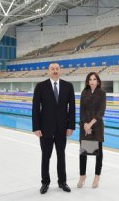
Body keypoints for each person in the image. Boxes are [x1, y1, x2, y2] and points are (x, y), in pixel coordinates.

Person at [32, 62, 76, 194]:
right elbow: (35, 109)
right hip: (45, 129)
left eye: (57, 69)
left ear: (60, 70)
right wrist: (36, 127)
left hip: (62, 128)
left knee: (61, 155)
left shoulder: (68, 86)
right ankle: (45, 182)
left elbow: (72, 109)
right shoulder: (40, 87)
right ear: (48, 71)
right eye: (52, 69)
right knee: (46, 156)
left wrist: (71, 126)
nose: (55, 71)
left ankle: (62, 182)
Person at [77, 72, 106, 189]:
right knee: (83, 152)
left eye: (94, 79)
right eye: (90, 79)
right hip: (85, 126)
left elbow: (101, 111)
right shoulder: (84, 92)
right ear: (87, 81)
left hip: (97, 126)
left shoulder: (102, 93)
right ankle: (82, 176)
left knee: (98, 153)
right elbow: (82, 111)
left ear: (98, 81)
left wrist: (90, 124)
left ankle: (97, 176)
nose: (92, 81)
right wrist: (85, 124)